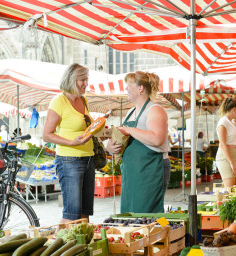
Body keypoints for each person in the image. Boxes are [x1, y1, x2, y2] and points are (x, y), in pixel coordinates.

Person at [106, 71, 168, 213]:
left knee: (147, 213)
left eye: (129, 85)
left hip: (151, 169)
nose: (126, 88)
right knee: (131, 213)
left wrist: (130, 130)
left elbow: (157, 139)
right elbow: (125, 138)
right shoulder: (131, 112)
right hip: (132, 172)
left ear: (140, 89)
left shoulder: (155, 110)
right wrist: (111, 147)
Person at [43, 64, 94, 222]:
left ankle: (85, 245)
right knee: (72, 214)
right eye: (82, 80)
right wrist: (71, 142)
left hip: (88, 158)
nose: (86, 83)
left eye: (87, 79)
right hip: (69, 160)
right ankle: (62, 245)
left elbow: (85, 128)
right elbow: (46, 135)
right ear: (72, 80)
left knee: (85, 213)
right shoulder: (59, 102)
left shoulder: (83, 100)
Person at [215, 97, 236, 188]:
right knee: (229, 189)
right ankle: (221, 202)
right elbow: (222, 145)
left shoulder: (233, 121)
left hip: (235, 155)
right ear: (234, 109)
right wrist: (231, 162)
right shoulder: (223, 123)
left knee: (233, 189)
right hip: (225, 157)